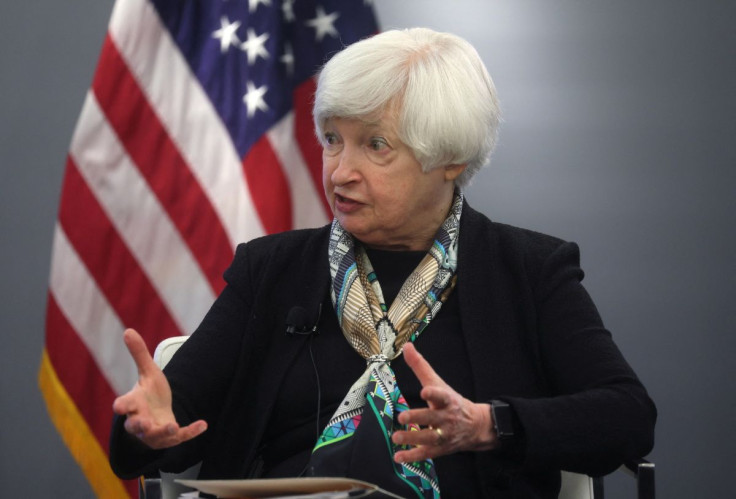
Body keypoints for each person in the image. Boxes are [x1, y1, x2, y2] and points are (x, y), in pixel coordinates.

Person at [110, 27, 656, 498]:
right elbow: (171, 425)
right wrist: (144, 429)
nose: (340, 172)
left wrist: (490, 425)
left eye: (375, 146)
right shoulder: (270, 270)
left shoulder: (528, 272)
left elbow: (627, 418)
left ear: (450, 158)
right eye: (331, 140)